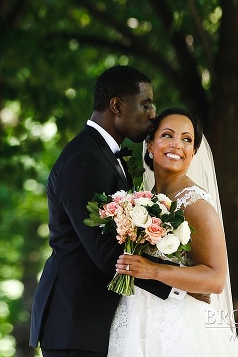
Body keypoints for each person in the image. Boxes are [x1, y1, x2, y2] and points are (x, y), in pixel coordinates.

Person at [29, 66, 189, 357]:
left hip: (90, 321)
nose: (153, 114)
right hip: (75, 323)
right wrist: (178, 284)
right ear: (116, 105)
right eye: (145, 104)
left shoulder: (103, 155)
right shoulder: (84, 160)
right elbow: (105, 254)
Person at [108, 107, 238, 356]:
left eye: (187, 139)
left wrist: (153, 270)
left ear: (193, 153)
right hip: (136, 318)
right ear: (150, 145)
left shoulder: (195, 203)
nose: (177, 145)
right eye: (167, 135)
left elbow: (216, 279)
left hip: (176, 328)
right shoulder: (144, 199)